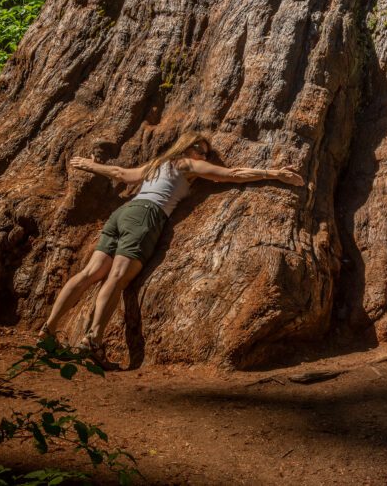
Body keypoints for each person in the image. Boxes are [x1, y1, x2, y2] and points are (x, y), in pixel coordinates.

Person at [38, 131, 304, 366]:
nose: (204, 155)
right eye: (200, 150)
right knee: (117, 278)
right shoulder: (188, 163)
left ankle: (48, 330)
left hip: (123, 212)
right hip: (146, 215)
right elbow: (232, 175)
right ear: (187, 148)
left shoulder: (157, 164)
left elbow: (121, 174)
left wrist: (90, 165)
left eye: (206, 152)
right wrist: (274, 173)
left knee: (90, 273)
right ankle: (93, 340)